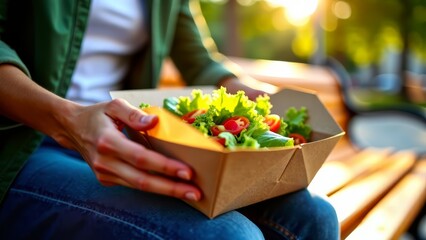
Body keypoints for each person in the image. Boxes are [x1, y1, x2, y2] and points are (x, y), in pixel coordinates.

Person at [0, 0, 339, 239]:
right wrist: (69, 119)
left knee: (314, 218)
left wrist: (254, 98)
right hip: (23, 141)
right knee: (229, 236)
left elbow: (199, 60)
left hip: (124, 137)